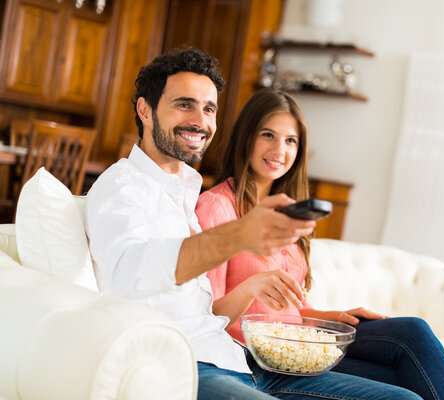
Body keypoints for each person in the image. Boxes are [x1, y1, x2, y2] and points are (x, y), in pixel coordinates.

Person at [85, 47, 424, 400]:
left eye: (209, 109)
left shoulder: (182, 191)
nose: (200, 121)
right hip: (181, 361)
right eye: (184, 104)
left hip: (236, 361)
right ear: (145, 109)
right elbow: (127, 272)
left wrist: (253, 289)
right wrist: (239, 235)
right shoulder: (123, 187)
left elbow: (207, 314)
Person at [195, 88, 444, 400]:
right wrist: (248, 289)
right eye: (267, 135)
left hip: (297, 347)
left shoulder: (288, 211)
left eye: (290, 140)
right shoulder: (216, 207)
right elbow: (207, 317)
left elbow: (291, 311)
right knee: (406, 393)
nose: (279, 149)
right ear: (246, 137)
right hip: (253, 359)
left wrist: (333, 317)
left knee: (411, 335)